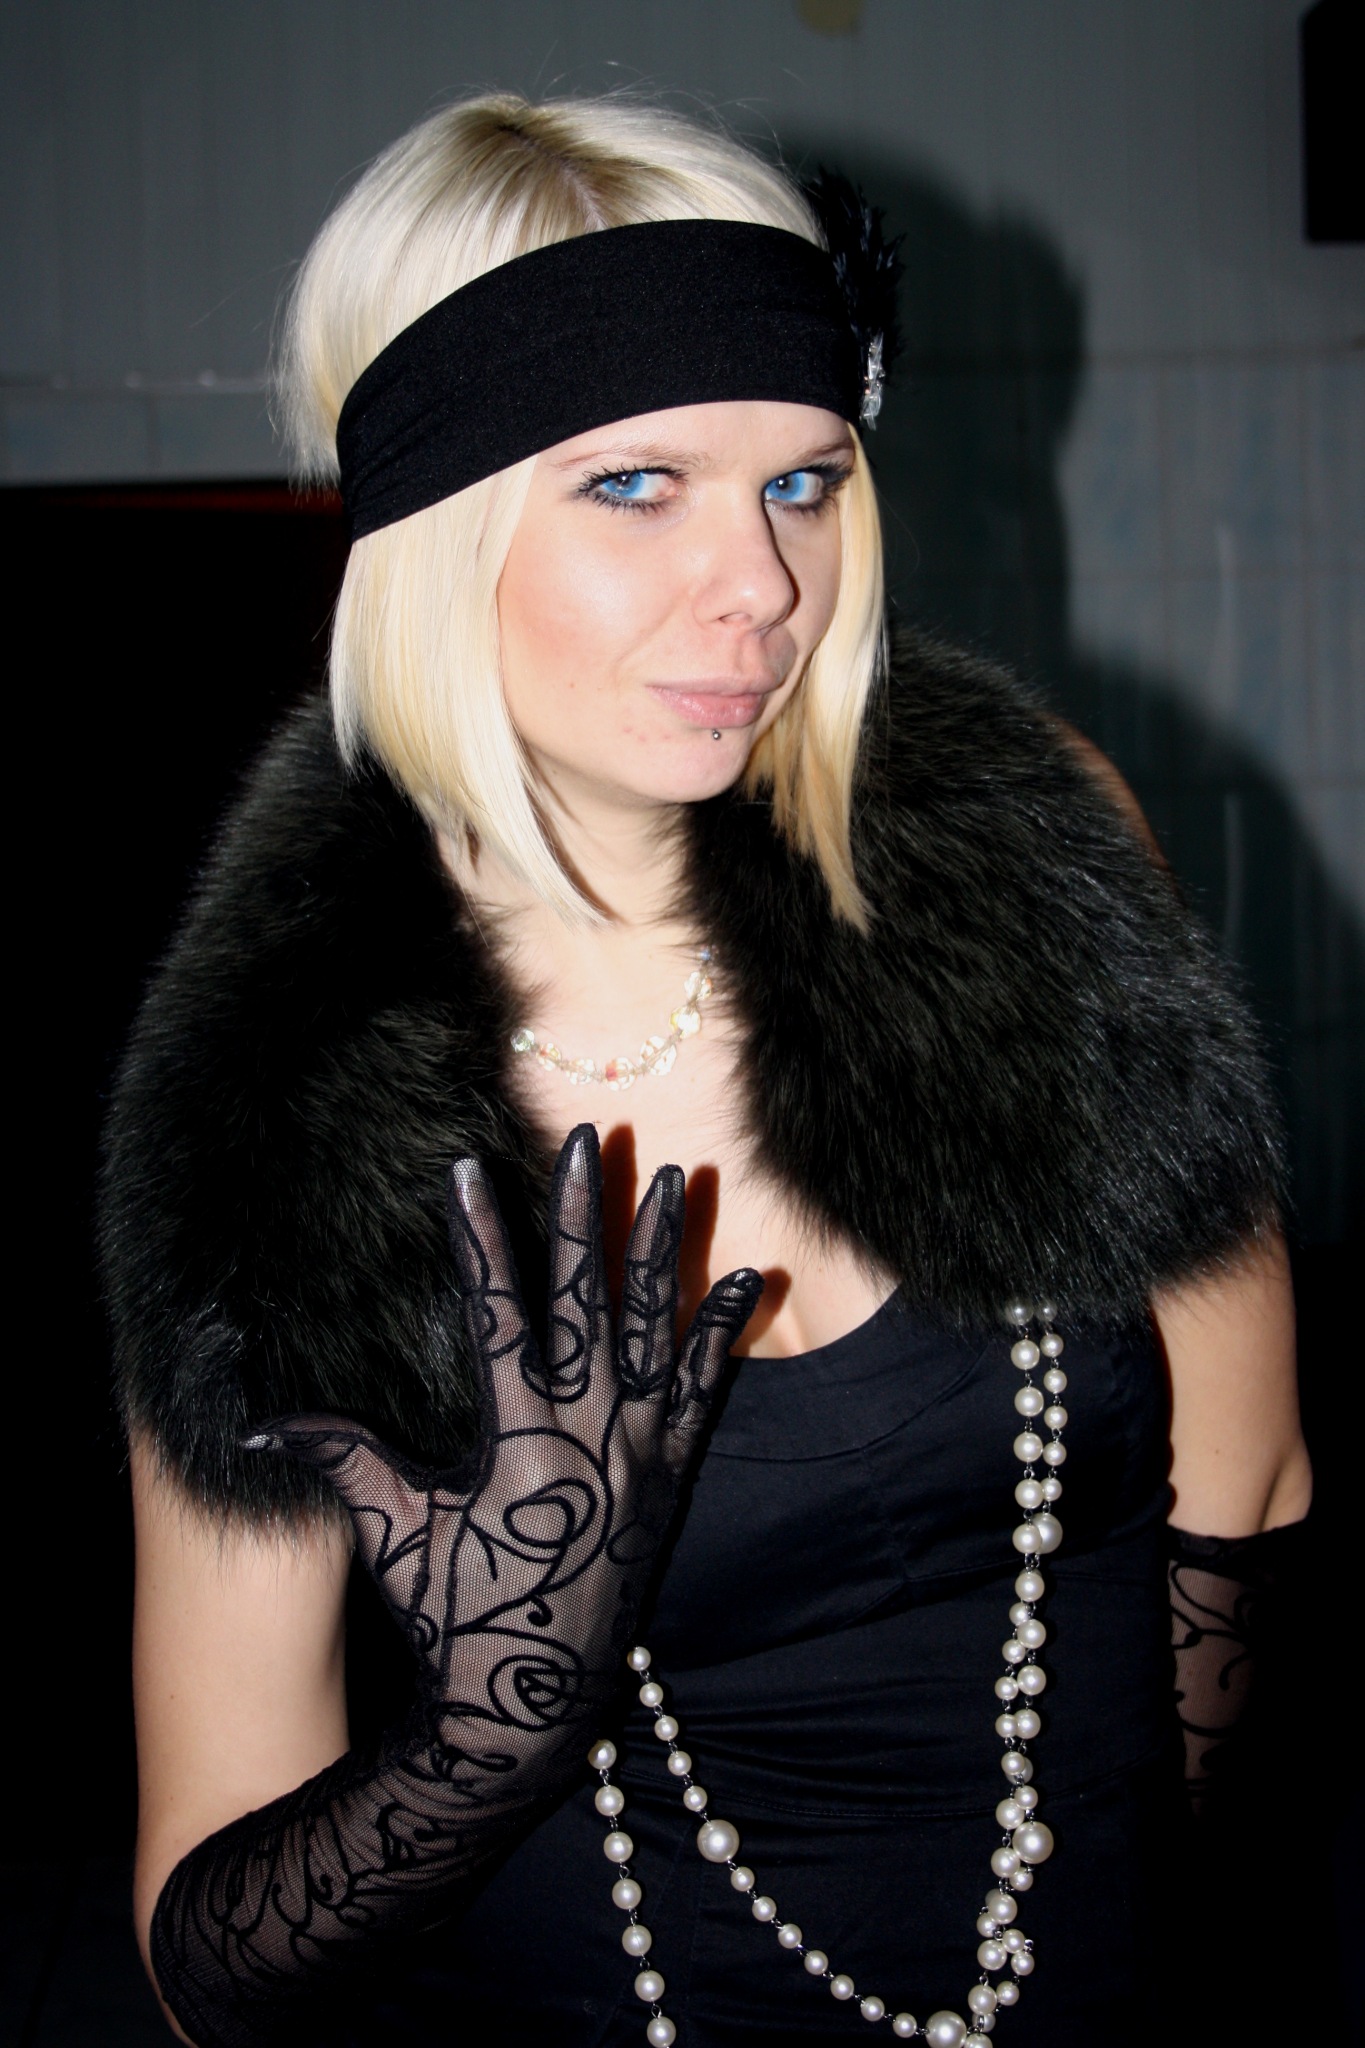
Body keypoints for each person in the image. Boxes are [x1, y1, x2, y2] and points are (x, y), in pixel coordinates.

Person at [99, 94, 1309, 2048]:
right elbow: (200, 1961)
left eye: (801, 481)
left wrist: (1111, 1907)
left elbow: (1240, 1476)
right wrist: (480, 1737)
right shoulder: (279, 1104)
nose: (759, 584)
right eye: (635, 484)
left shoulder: (1029, 855)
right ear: (433, 524)